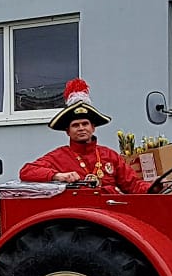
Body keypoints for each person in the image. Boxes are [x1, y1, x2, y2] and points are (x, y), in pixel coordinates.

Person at [18, 78, 151, 194]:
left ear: (93, 127)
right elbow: (27, 171)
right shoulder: (58, 157)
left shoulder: (110, 156)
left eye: (85, 124)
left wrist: (156, 187)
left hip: (112, 213)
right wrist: (58, 176)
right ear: (68, 131)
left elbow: (133, 186)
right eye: (76, 125)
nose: (81, 128)